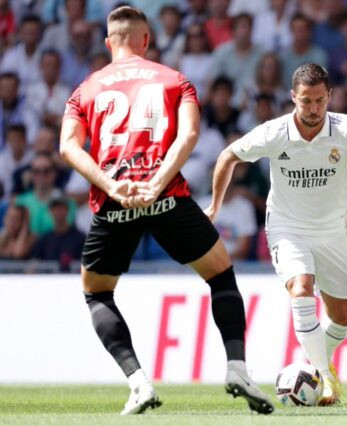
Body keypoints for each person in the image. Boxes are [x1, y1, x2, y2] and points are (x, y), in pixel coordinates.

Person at [58, 6, 273, 416]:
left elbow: (68, 146)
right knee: (221, 275)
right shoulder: (175, 79)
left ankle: (139, 383)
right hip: (168, 196)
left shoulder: (85, 89)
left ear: (109, 43)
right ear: (146, 40)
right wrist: (157, 183)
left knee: (98, 293)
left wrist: (110, 184)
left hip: (114, 199)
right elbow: (189, 133)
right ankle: (237, 368)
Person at [206, 63, 347, 405]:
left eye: (319, 100)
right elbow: (228, 157)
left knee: (342, 316)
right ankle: (326, 379)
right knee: (301, 289)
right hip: (287, 226)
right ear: (292, 98)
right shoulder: (274, 132)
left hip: (331, 230)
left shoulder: (346, 129)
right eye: (305, 101)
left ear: (329, 96)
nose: (313, 109)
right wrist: (214, 207)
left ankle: (313, 366)